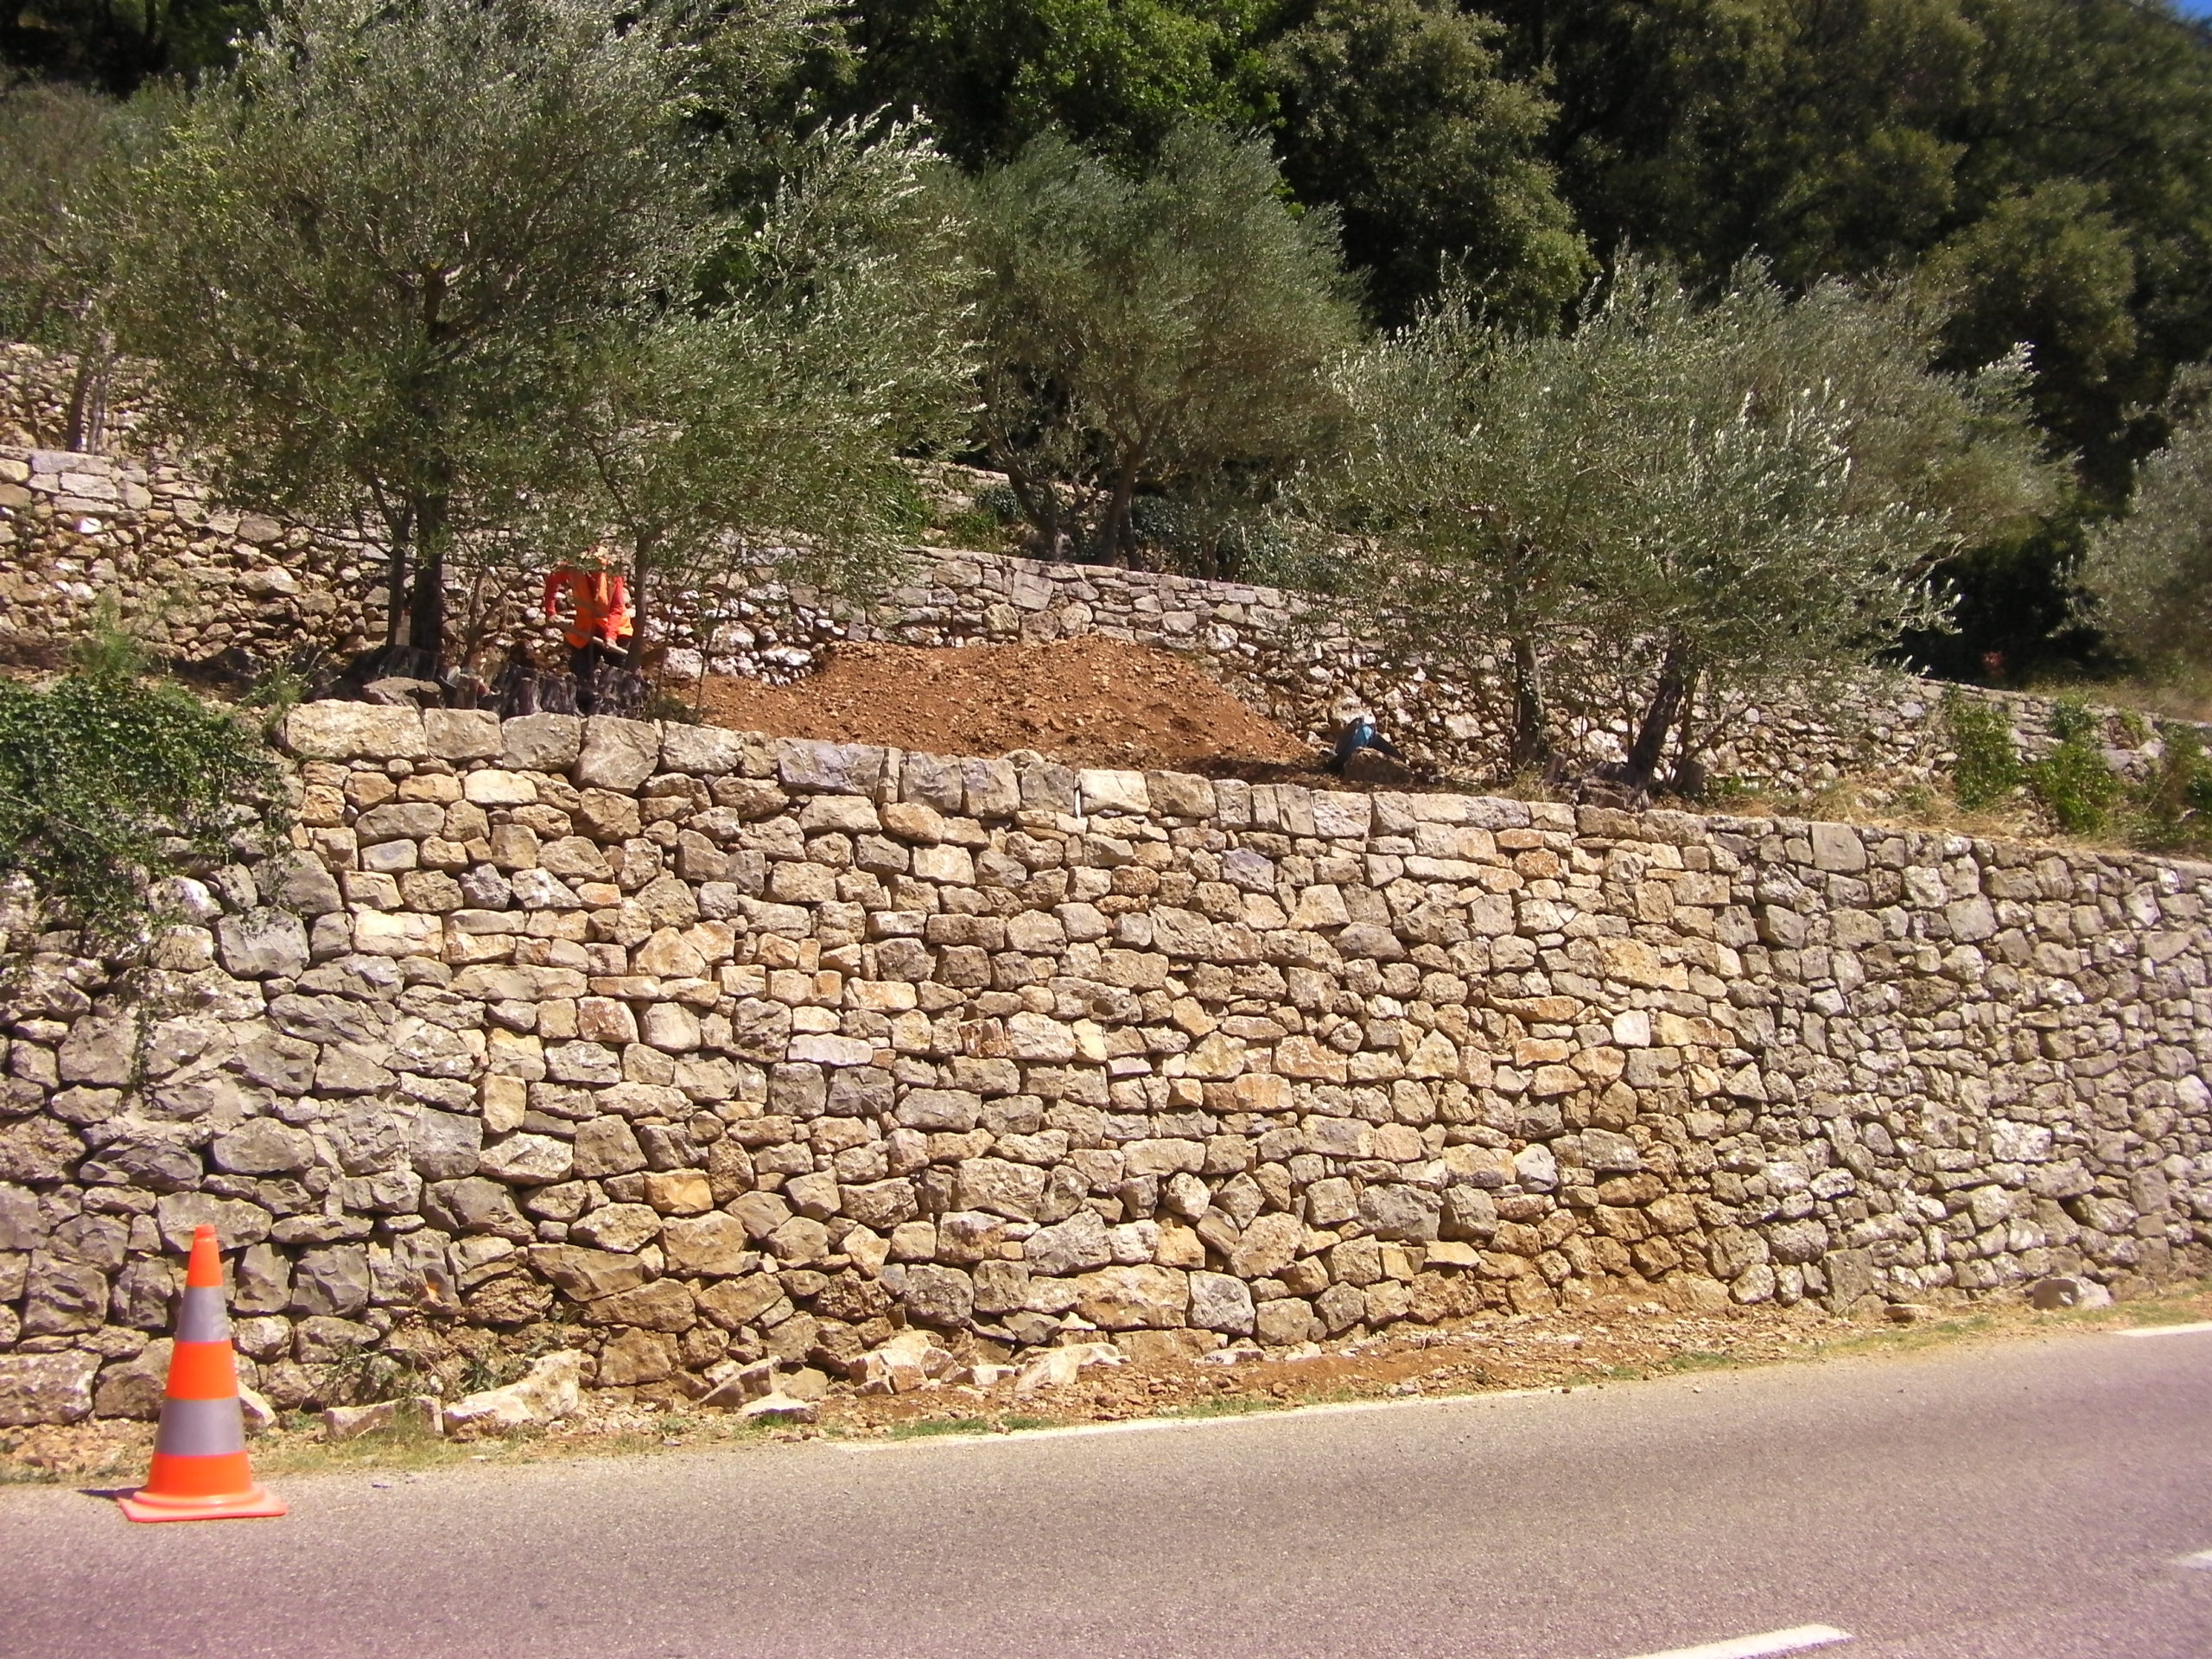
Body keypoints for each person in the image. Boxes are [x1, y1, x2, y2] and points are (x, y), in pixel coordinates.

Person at [542, 557, 632, 714]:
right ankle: (580, 711)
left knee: (618, 680)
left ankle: (618, 714)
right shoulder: (572, 566)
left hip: (616, 630)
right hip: (585, 629)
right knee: (580, 675)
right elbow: (553, 580)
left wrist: (610, 637)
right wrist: (551, 611)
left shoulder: (612, 573)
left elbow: (617, 608)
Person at [1326, 704, 1404, 774]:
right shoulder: (1360, 732)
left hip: (1362, 738)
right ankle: (1402, 760)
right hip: (1362, 738)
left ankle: (1402, 760)